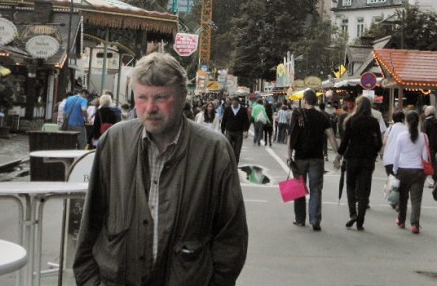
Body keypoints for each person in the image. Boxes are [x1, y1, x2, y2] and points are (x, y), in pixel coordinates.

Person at [73, 52, 248, 285]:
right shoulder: (115, 141)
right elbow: (91, 222)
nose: (149, 108)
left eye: (161, 97)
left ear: (183, 96)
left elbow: (231, 236)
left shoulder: (214, 151)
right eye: (141, 97)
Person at [287, 89, 339, 231]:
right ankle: (315, 219)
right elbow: (331, 136)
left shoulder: (297, 115)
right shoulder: (323, 116)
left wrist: (288, 155)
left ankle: (300, 219)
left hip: (300, 158)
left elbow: (291, 137)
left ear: (305, 100)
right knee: (316, 189)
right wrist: (337, 155)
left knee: (299, 189)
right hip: (317, 158)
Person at [334, 95, 382, 231]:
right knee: (364, 190)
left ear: (357, 106)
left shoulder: (351, 120)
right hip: (368, 160)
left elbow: (345, 141)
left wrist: (339, 155)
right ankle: (360, 220)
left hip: (352, 158)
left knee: (350, 186)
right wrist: (374, 152)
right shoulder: (374, 122)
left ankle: (352, 214)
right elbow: (378, 141)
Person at [384, 109, 431, 233]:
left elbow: (396, 155)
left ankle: (401, 220)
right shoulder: (424, 137)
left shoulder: (401, 136)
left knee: (403, 198)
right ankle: (415, 224)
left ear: (407, 122)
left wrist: (394, 170)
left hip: (403, 170)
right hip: (418, 171)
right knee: (416, 200)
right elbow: (425, 157)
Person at [221, 95, 249, 163]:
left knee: (237, 150)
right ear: (232, 102)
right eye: (233, 102)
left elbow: (246, 121)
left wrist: (245, 130)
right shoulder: (228, 109)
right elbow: (224, 120)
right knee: (228, 148)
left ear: (238, 102)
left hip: (239, 131)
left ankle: (235, 164)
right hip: (229, 131)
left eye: (236, 103)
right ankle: (229, 163)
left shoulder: (243, 109)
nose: (234, 104)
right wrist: (222, 130)